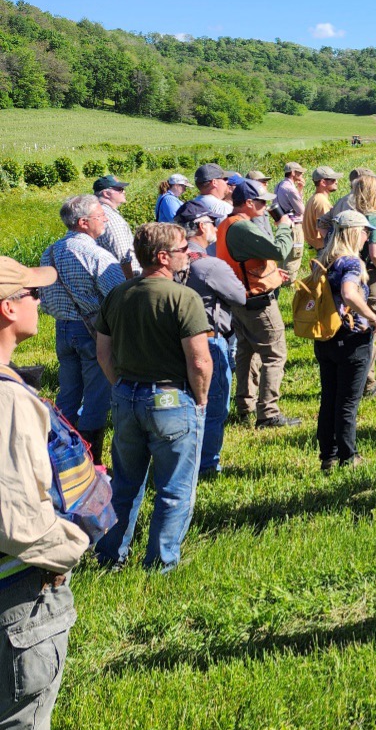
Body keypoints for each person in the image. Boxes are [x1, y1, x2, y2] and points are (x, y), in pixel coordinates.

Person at [0, 255, 96, 730]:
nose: (41, 302)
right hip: (15, 600)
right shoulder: (7, 401)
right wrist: (73, 544)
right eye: (33, 294)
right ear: (7, 307)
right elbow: (14, 522)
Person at [93, 223, 212, 571]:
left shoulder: (119, 294)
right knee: (174, 489)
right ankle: (160, 564)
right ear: (163, 257)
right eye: (182, 249)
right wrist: (200, 398)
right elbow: (200, 360)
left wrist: (122, 385)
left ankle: (109, 557)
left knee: (125, 483)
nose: (188, 253)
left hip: (127, 397)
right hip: (172, 400)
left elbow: (103, 352)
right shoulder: (183, 297)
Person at [39, 194, 127, 461]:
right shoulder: (97, 254)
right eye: (101, 216)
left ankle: (59, 456)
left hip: (62, 329)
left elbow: (46, 296)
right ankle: (91, 462)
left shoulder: (50, 252)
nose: (105, 221)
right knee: (97, 397)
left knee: (68, 394)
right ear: (83, 222)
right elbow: (119, 296)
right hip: (93, 331)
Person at [173, 201, 247, 479]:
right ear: (202, 226)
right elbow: (239, 297)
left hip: (177, 342)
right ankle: (206, 465)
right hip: (210, 341)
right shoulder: (209, 265)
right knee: (214, 407)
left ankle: (183, 460)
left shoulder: (172, 264)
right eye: (212, 223)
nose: (216, 228)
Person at [218, 180, 299, 429]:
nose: (266, 205)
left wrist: (273, 275)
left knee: (247, 352)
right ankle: (268, 414)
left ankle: (245, 406)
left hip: (240, 299)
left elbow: (248, 263)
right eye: (262, 201)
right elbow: (278, 250)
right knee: (274, 355)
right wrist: (284, 227)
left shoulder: (227, 224)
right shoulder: (242, 227)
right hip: (258, 304)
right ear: (249, 203)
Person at [311, 212, 376, 471]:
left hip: (325, 336)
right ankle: (348, 456)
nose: (367, 236)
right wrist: (372, 317)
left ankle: (328, 456)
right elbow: (349, 292)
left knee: (329, 398)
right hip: (352, 338)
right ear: (354, 232)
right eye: (366, 231)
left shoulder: (323, 259)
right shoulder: (351, 263)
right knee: (347, 402)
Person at [346, 174, 376, 397]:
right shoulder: (375, 218)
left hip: (357, 277)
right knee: (372, 331)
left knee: (358, 326)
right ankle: (368, 383)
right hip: (374, 277)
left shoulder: (354, 214)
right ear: (371, 194)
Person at [92, 175, 140, 278]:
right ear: (106, 193)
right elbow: (123, 256)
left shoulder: (99, 212)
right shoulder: (111, 218)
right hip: (125, 278)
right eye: (120, 189)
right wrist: (130, 283)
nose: (124, 192)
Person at [273, 163, 307, 281]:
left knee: (284, 252)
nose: (302, 174)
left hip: (284, 224)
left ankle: (280, 279)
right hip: (294, 225)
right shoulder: (290, 189)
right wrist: (299, 192)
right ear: (293, 173)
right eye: (300, 172)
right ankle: (289, 282)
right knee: (294, 254)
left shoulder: (279, 185)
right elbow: (301, 209)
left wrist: (300, 190)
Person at [303, 166, 340, 254]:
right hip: (324, 249)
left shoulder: (314, 198)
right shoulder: (321, 201)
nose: (337, 182)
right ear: (323, 182)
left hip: (317, 248)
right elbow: (324, 227)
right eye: (333, 180)